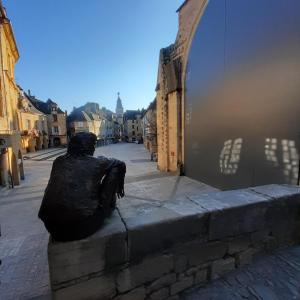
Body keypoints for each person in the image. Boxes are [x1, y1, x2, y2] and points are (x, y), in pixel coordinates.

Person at [38, 132, 126, 242]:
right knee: (115, 168)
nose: (94, 148)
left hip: (52, 227)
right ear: (87, 146)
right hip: (81, 226)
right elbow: (120, 163)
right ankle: (106, 207)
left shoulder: (58, 161)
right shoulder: (97, 162)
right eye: (93, 145)